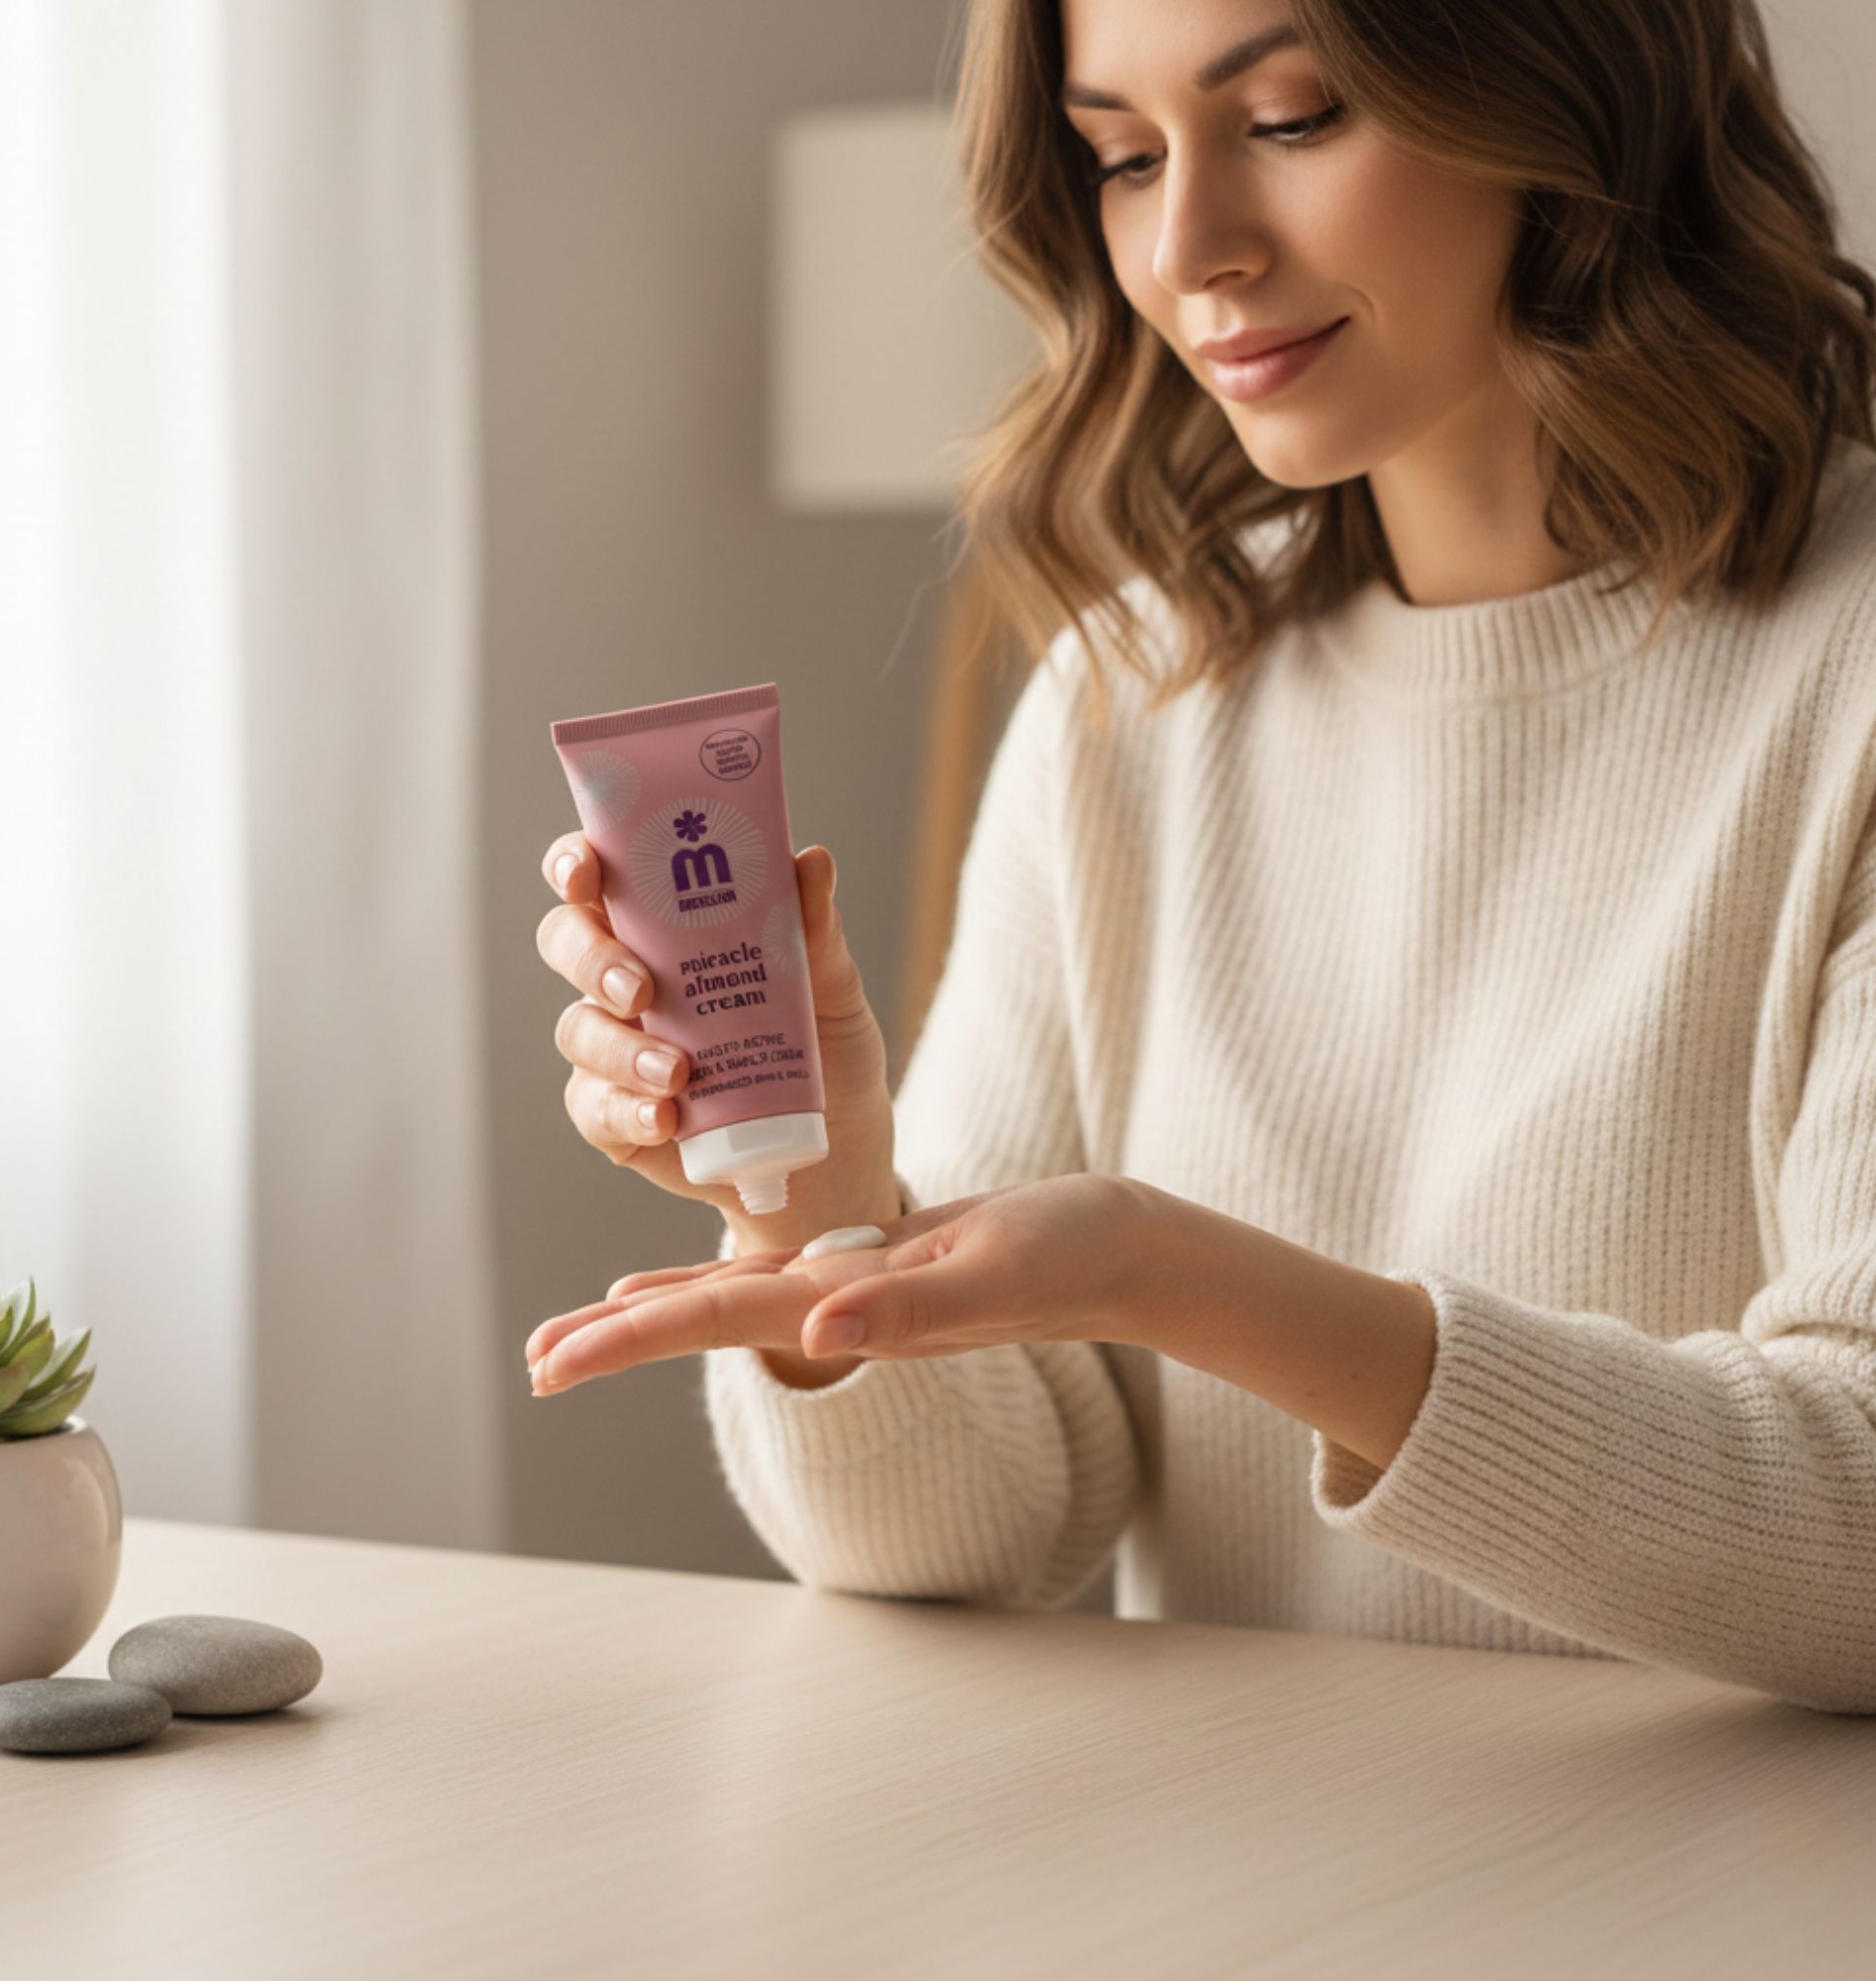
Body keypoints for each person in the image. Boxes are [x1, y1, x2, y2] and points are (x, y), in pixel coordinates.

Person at [527, 0, 1876, 1715]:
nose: (1190, 251)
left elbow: (1865, 1535)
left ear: (1577, 94)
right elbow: (976, 1536)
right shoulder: (1138, 687)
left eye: (1298, 118)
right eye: (1123, 157)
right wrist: (823, 1220)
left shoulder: (1851, 670)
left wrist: (1181, 1278)